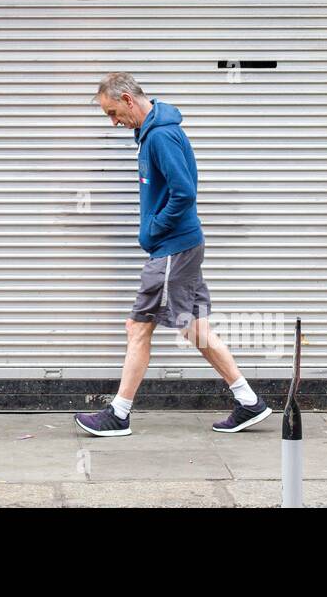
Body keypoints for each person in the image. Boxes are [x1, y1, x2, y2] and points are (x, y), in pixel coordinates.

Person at [74, 72, 272, 436]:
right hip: (183, 246)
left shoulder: (161, 135)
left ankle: (119, 414)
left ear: (129, 100)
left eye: (113, 112)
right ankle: (248, 401)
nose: (114, 122)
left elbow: (184, 193)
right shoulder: (154, 131)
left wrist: (153, 230)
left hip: (173, 249)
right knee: (194, 329)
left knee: (138, 327)